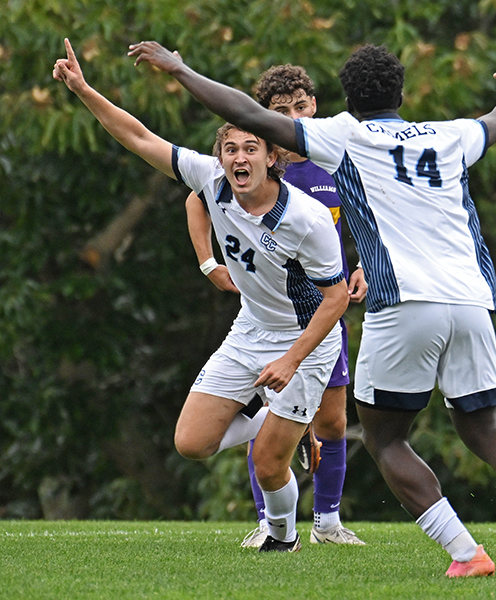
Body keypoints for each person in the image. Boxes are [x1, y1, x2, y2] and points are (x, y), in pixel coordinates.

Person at [127, 40, 496, 577]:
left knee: (387, 438)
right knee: (485, 428)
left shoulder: (344, 133)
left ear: (346, 97)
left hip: (402, 301)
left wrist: (182, 68)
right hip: (472, 299)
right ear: (402, 91)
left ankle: (467, 555)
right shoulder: (450, 134)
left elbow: (245, 114)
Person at [54, 39, 348, 553]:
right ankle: (284, 422)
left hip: (304, 342)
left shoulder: (306, 219)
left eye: (250, 148)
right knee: (191, 444)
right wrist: (83, 90)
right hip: (250, 328)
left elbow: (337, 298)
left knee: (267, 463)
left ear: (271, 157)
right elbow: (138, 136)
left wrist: (290, 360)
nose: (238, 157)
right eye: (230, 149)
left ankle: (283, 536)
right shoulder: (211, 181)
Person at [184, 64, 368, 548]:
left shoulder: (334, 160)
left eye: (300, 107)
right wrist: (209, 264)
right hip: (270, 316)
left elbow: (374, 218)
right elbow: (196, 200)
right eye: (279, 111)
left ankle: (328, 522)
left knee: (331, 422)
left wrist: (367, 265)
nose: (291, 116)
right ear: (264, 116)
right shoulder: (250, 160)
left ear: (314, 106)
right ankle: (270, 524)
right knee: (273, 430)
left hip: (323, 314)